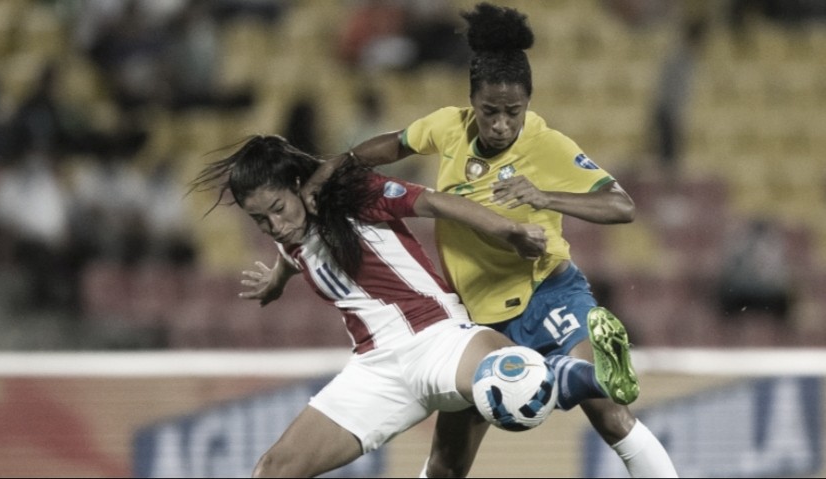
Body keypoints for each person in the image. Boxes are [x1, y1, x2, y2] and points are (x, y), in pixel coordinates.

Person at [301, 3, 678, 478]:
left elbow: (622, 206)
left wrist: (545, 196)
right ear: (472, 104)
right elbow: (395, 144)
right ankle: (569, 376)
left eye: (513, 113)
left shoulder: (546, 145)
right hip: (475, 321)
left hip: (548, 294)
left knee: (611, 414)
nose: (501, 124)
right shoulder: (448, 126)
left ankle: (579, 376)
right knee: (446, 463)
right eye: (489, 112)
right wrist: (340, 162)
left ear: (528, 106)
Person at [189, 134, 638, 478]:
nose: (274, 225)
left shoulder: (354, 195)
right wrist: (276, 280)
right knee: (273, 470)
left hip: (436, 338)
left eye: (277, 209)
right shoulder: (289, 237)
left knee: (508, 385)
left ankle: (592, 374)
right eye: (259, 220)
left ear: (297, 184)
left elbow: (437, 202)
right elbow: (295, 253)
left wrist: (509, 231)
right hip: (375, 372)